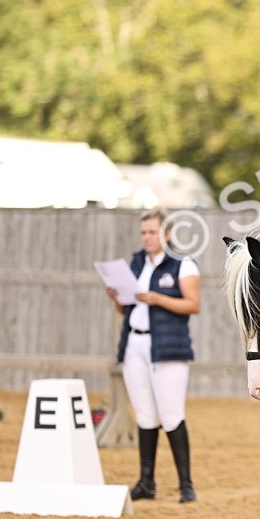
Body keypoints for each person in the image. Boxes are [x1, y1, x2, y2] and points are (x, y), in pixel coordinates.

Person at [105, 209, 201, 501]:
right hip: (135, 343)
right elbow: (127, 308)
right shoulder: (136, 263)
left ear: (167, 234)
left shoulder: (182, 265)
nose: (147, 237)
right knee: (144, 413)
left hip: (167, 348)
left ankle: (186, 483)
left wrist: (159, 298)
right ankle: (146, 480)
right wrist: (117, 299)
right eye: (144, 232)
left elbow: (193, 305)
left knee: (171, 414)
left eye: (152, 232)